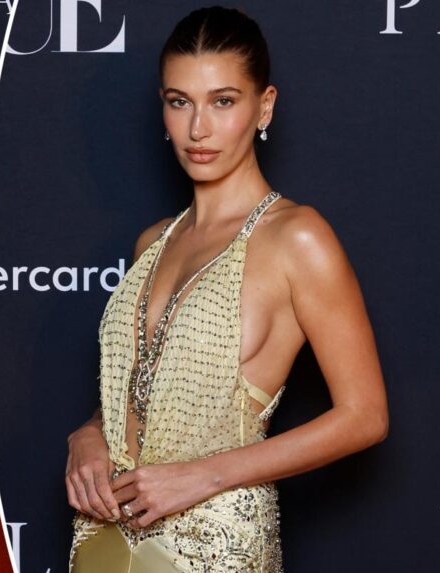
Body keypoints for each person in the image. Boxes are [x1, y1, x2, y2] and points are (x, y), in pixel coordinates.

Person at [65, 7, 388, 572]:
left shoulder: (297, 237)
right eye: (179, 101)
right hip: (104, 534)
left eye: (223, 101)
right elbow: (144, 388)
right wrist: (89, 434)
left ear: (264, 106)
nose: (198, 129)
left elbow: (365, 415)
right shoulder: (153, 242)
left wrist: (205, 475)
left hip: (216, 543)